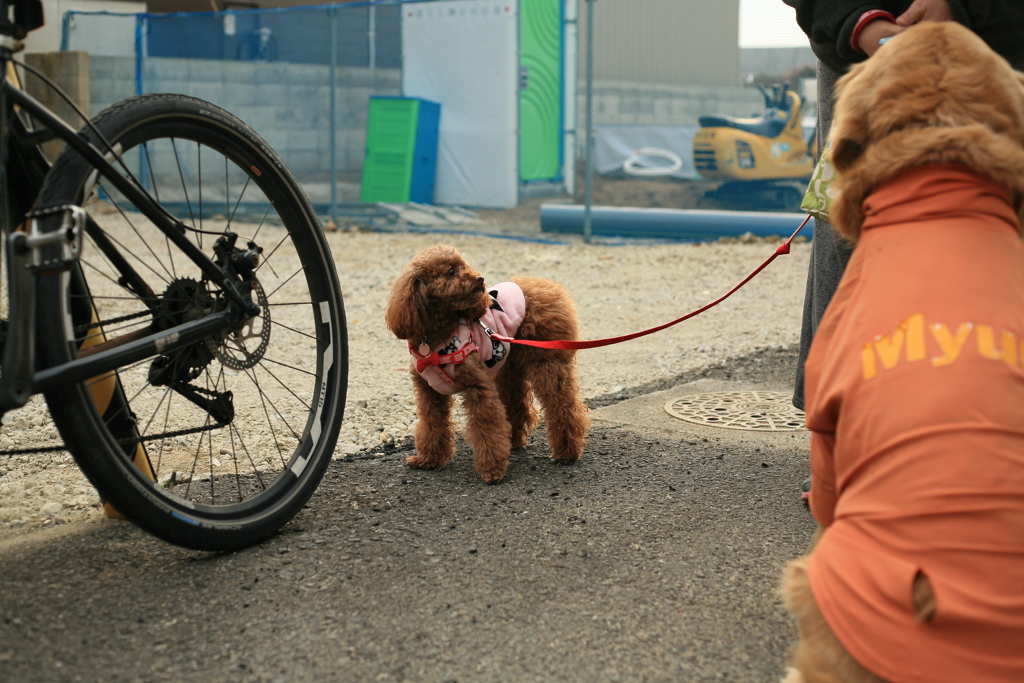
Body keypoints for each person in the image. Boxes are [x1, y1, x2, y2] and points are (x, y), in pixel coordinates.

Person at [783, 0, 1024, 413]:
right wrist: (857, 21)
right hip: (868, 49)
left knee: (855, 283)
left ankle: (846, 438)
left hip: (968, 52)